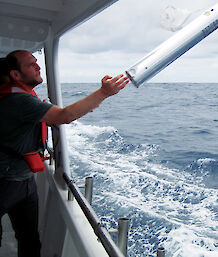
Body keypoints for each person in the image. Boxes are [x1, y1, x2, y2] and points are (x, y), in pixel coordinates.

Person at [0, 50, 129, 257]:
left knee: (29, 237)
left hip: (23, 180)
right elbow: (64, 116)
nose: (38, 66)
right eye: (31, 64)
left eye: (37, 62)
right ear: (15, 75)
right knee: (28, 238)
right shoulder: (19, 101)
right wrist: (103, 92)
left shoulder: (21, 98)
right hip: (7, 181)